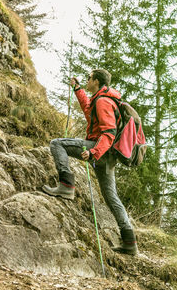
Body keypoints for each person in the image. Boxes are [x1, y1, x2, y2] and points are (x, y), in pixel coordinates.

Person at [42, 69, 137, 255]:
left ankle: (66, 185)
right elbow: (88, 111)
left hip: (99, 149)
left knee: (57, 144)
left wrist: (93, 152)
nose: (87, 80)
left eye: (88, 78)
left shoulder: (102, 102)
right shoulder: (103, 100)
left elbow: (108, 133)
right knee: (112, 197)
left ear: (96, 81)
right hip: (108, 157)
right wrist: (78, 89)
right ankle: (130, 242)